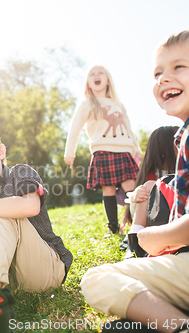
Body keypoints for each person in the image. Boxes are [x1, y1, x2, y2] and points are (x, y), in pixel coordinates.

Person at [80, 30, 189, 333]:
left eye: (178, 67)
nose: (164, 79)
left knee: (98, 279)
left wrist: (156, 238)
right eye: (158, 72)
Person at [0, 124, 73, 291]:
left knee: (1, 212)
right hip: (9, 276)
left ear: (0, 152)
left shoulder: (20, 173)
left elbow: (31, 206)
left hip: (44, 271)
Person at [64, 65, 142, 234]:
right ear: (88, 83)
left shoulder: (118, 104)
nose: (96, 75)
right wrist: (70, 152)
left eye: (101, 73)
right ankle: (113, 227)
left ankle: (138, 224)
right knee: (108, 188)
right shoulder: (87, 104)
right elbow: (75, 127)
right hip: (102, 150)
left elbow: (129, 129)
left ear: (107, 81)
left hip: (124, 151)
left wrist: (137, 150)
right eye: (92, 74)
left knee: (131, 186)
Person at [119, 126, 178, 254]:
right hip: (150, 214)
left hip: (170, 213)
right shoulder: (152, 173)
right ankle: (134, 242)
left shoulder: (187, 167)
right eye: (178, 142)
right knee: (149, 186)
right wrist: (134, 196)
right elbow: (139, 197)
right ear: (164, 150)